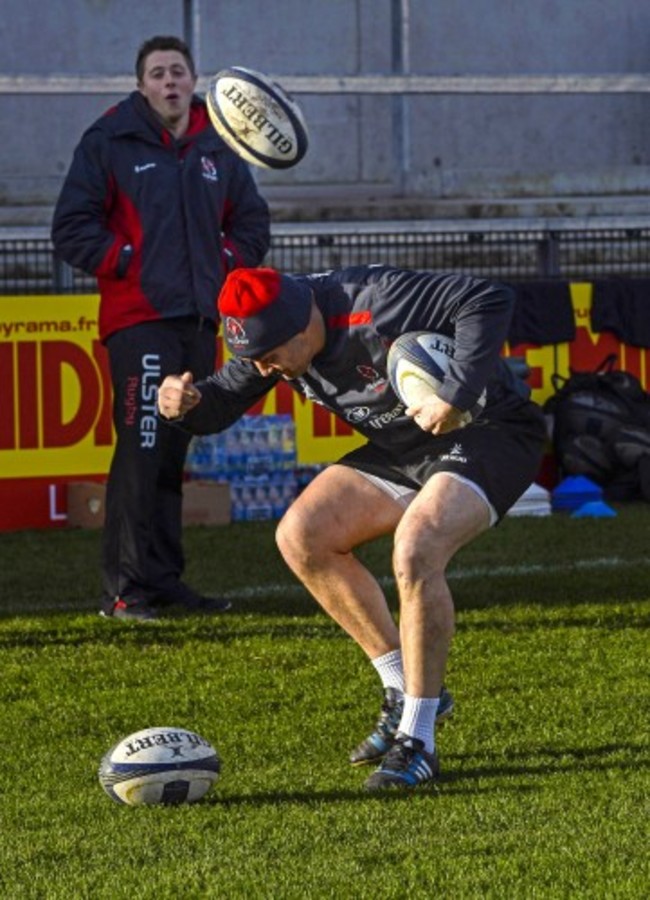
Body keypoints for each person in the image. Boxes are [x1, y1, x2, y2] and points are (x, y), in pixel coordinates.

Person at [157, 265, 547, 791]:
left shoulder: (375, 300)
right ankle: (404, 690)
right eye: (255, 359)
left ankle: (418, 739)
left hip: (489, 432)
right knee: (303, 536)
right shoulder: (274, 339)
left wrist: (455, 393)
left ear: (304, 326)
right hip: (404, 447)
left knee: (416, 548)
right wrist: (186, 405)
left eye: (270, 357)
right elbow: (222, 399)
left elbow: (486, 296)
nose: (264, 369)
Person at [51, 36, 271, 621]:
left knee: (173, 453)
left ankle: (164, 582)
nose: (169, 81)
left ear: (194, 80)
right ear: (141, 84)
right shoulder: (109, 139)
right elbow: (71, 227)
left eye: (177, 71)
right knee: (142, 449)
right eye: (157, 73)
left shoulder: (219, 143)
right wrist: (130, 260)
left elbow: (251, 222)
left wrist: (224, 262)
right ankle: (125, 591)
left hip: (199, 321)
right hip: (139, 321)